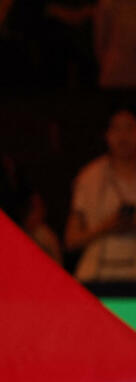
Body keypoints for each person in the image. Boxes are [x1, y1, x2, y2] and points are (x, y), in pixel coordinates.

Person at [66, 106, 136, 283]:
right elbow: (71, 240)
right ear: (107, 135)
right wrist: (106, 227)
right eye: (116, 129)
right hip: (97, 275)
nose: (123, 136)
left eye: (129, 128)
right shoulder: (90, 176)